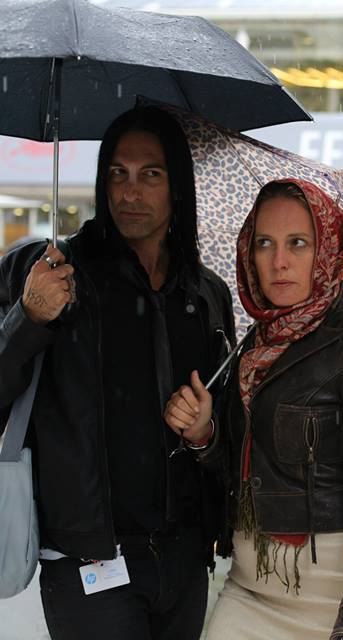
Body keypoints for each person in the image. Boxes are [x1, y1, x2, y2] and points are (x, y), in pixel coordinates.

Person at [0, 107, 235, 640]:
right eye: (117, 174)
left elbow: (233, 431)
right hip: (88, 561)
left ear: (178, 186)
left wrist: (206, 434)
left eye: (150, 174)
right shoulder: (49, 273)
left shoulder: (205, 294)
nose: (131, 192)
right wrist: (29, 320)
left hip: (182, 559)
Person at [164, 179, 343, 639]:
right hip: (251, 586)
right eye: (265, 243)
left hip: (339, 592)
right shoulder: (252, 348)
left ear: (327, 251)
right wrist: (205, 435)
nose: (279, 261)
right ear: (248, 254)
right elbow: (247, 470)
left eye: (298, 243)